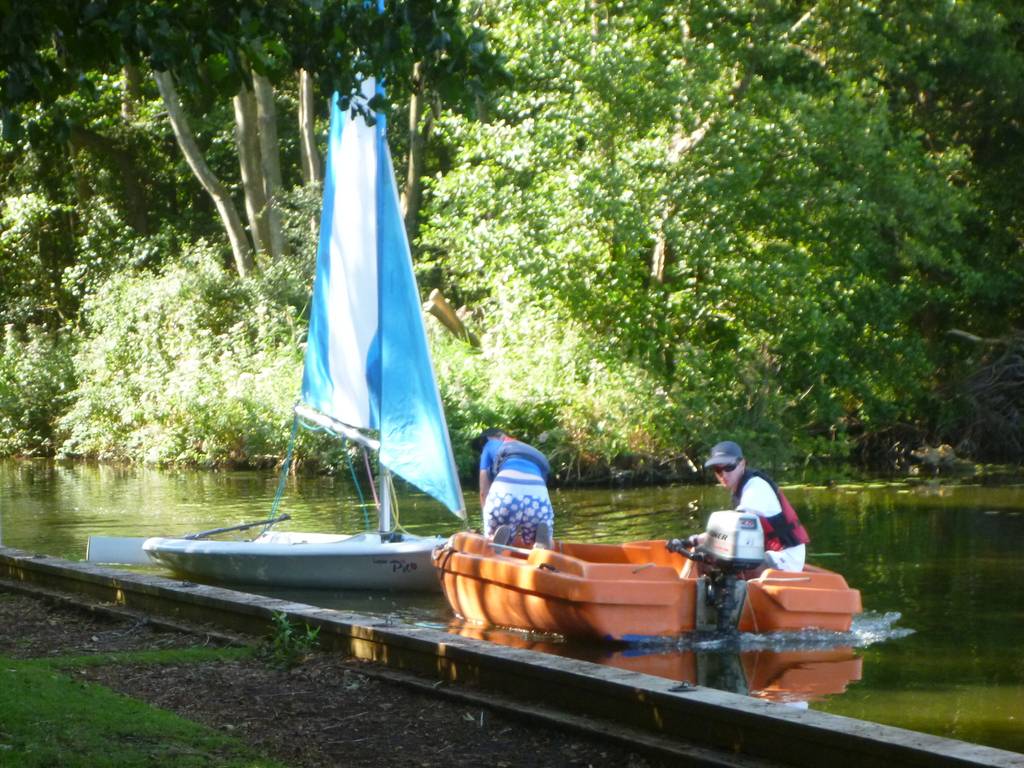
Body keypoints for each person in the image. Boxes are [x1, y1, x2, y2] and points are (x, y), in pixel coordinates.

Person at [700, 440, 810, 572]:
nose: (724, 474)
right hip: (769, 554)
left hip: (786, 559)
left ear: (742, 464)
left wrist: (694, 540)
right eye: (718, 470)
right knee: (706, 554)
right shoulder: (739, 489)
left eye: (729, 467)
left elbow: (730, 531)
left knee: (715, 555)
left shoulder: (756, 487)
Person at [472, 428, 554, 549]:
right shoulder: (534, 452)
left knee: (491, 538)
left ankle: (494, 542)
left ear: (492, 437)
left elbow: (484, 490)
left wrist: (488, 518)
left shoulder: (490, 444)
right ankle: (540, 544)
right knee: (541, 533)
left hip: (505, 493)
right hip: (538, 496)